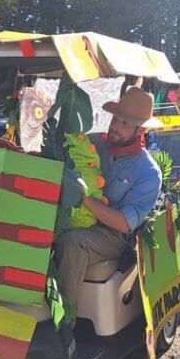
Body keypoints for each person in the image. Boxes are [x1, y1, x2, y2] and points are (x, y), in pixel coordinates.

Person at [56, 87, 161, 318]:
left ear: (140, 130)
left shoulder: (148, 172)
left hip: (112, 235)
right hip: (71, 217)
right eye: (115, 119)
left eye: (125, 123)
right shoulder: (94, 144)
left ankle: (64, 327)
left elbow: (124, 223)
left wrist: (83, 197)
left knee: (73, 242)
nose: (115, 126)